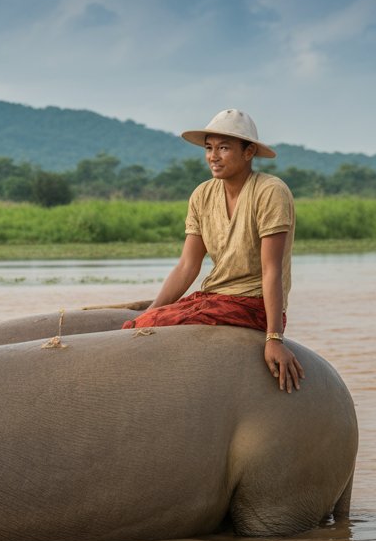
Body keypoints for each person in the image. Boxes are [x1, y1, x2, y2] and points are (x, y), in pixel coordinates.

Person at [123, 109, 305, 392]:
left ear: (248, 152)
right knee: (144, 322)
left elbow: (272, 269)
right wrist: (148, 314)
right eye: (209, 148)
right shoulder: (202, 194)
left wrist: (273, 337)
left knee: (154, 322)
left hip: (253, 304)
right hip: (215, 297)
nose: (213, 156)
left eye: (224, 148)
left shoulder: (270, 191)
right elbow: (187, 266)